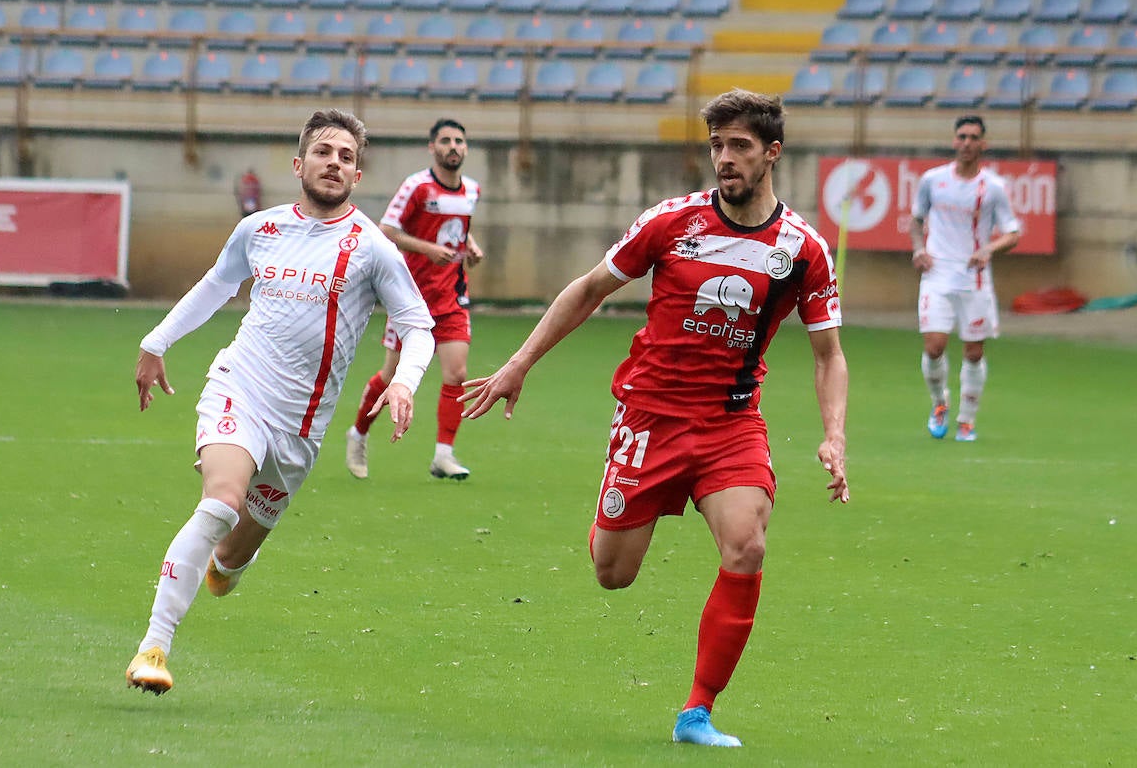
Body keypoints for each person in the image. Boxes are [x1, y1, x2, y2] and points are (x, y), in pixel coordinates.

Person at [461, 89, 849, 748]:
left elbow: (828, 355)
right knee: (614, 573)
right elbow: (588, 290)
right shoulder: (670, 223)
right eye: (717, 146)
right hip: (651, 417)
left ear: (772, 153)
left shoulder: (803, 249)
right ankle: (613, 507)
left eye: (740, 147)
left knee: (748, 545)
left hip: (731, 424)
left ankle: (696, 712)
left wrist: (834, 434)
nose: (725, 159)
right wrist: (519, 364)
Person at [125, 109, 435, 695]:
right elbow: (218, 284)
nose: (334, 163)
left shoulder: (371, 248)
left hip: (300, 429)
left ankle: (227, 563)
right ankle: (154, 646)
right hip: (239, 385)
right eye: (323, 151)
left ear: (357, 174)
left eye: (346, 156)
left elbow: (418, 325)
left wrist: (404, 381)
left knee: (230, 562)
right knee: (220, 501)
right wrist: (156, 341)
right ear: (299, 164)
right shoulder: (260, 229)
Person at [344, 118, 484, 481]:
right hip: (410, 296)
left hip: (453, 293)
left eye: (459, 141)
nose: (454, 146)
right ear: (432, 147)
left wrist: (470, 246)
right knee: (391, 374)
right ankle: (358, 433)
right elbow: (387, 229)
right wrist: (428, 249)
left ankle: (443, 455)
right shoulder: (417, 187)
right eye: (446, 141)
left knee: (457, 372)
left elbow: (458, 229)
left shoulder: (471, 190)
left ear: (465, 149)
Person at [909, 115, 1022, 443]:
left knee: (973, 352)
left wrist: (989, 248)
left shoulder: (994, 188)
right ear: (954, 140)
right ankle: (939, 403)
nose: (967, 142)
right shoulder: (933, 180)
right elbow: (916, 220)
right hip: (937, 273)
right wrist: (918, 249)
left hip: (974, 277)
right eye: (962, 136)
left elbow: (1012, 232)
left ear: (983, 144)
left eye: (974, 137)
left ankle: (967, 420)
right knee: (934, 346)